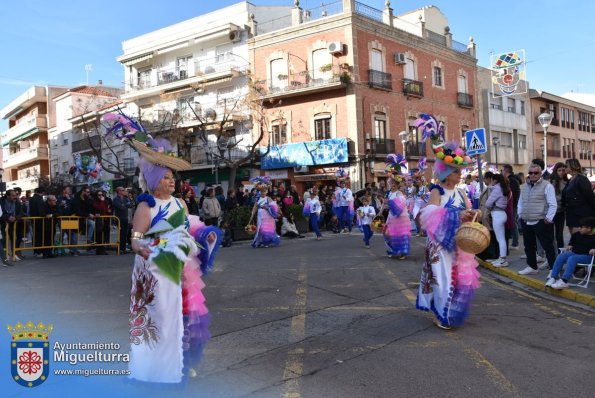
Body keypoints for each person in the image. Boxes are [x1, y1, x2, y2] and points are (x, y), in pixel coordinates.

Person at [99, 114, 222, 384]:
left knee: (185, 316)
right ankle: (153, 369)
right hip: (154, 268)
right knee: (159, 318)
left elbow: (192, 228)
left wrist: (207, 236)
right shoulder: (147, 206)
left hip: (180, 266)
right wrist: (145, 248)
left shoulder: (181, 204)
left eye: (172, 177)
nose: (171, 181)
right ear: (154, 179)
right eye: (166, 177)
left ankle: (180, 362)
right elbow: (135, 239)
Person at [415, 115, 481, 330]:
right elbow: (429, 213)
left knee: (458, 279)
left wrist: (472, 213)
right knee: (442, 279)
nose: (461, 174)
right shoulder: (438, 190)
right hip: (440, 244)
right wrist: (456, 216)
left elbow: (466, 210)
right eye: (457, 171)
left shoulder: (461, 192)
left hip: (459, 242)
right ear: (447, 173)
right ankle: (442, 314)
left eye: (461, 171)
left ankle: (450, 312)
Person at [517, 163, 558, 275]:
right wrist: (520, 215)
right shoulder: (524, 187)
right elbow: (520, 202)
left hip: (541, 221)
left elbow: (553, 204)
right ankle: (532, 266)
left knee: (548, 246)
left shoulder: (547, 186)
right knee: (529, 246)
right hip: (526, 220)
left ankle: (553, 270)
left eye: (536, 173)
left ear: (540, 174)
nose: (533, 175)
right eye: (531, 173)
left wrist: (548, 219)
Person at [546, 217, 595, 289]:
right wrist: (570, 245)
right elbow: (571, 243)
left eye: (582, 227)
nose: (579, 228)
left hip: (588, 257)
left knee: (572, 258)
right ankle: (553, 277)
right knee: (561, 256)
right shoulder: (576, 235)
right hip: (576, 253)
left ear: (589, 228)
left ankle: (564, 281)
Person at [383, 154, 411, 259]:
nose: (393, 184)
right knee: (387, 234)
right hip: (391, 216)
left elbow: (401, 204)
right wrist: (381, 211)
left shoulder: (400, 193)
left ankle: (402, 252)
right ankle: (394, 250)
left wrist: (389, 203)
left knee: (401, 235)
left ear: (397, 184)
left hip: (401, 217)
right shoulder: (389, 193)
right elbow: (385, 204)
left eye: (394, 183)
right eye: (391, 182)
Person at [562, 158, 595, 234]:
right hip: (571, 213)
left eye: (566, 166)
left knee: (580, 238)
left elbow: (590, 196)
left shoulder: (581, 179)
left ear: (572, 166)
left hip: (581, 214)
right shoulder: (570, 180)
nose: (564, 168)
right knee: (575, 238)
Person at [485, 173, 510, 267]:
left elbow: (488, 203)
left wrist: (491, 187)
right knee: (501, 238)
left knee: (500, 239)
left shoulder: (496, 189)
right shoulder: (503, 188)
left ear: (494, 180)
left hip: (497, 214)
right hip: (502, 214)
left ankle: (503, 260)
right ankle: (501, 258)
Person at [249, 176, 281, 248]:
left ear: (266, 192)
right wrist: (252, 215)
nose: (263, 193)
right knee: (260, 228)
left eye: (264, 191)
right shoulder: (258, 199)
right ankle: (260, 241)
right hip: (260, 215)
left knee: (266, 229)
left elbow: (274, 206)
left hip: (267, 216)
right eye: (262, 191)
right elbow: (255, 207)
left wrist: (267, 207)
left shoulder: (268, 198)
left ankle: (266, 241)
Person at [0, 189, 25, 261]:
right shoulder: (1, 202)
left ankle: (14, 254)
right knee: (4, 239)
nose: (15, 197)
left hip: (14, 223)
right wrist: (8, 217)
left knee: (14, 238)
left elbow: (21, 213)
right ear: (7, 196)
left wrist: (15, 218)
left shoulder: (17, 202)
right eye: (13, 196)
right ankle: (5, 255)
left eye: (16, 195)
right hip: (3, 223)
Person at [549, 162, 569, 249]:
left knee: (559, 234)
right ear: (555, 171)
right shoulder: (550, 182)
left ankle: (560, 252)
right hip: (550, 211)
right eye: (559, 170)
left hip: (561, 211)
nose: (561, 172)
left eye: (563, 170)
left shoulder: (567, 182)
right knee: (550, 235)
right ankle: (551, 254)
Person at [502, 164, 521, 249]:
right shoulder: (514, 179)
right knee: (513, 223)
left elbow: (509, 194)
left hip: (512, 205)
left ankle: (515, 243)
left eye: (503, 170)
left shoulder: (511, 181)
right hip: (513, 204)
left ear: (506, 171)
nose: (502, 172)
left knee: (513, 223)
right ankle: (515, 242)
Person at [113, 186, 134, 254]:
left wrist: (124, 205)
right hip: (119, 218)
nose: (125, 191)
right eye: (123, 190)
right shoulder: (116, 199)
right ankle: (120, 248)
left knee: (125, 234)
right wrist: (125, 205)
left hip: (125, 218)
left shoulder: (126, 198)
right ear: (119, 191)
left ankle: (123, 248)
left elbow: (131, 205)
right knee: (121, 233)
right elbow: (120, 207)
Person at [92, 190, 112, 255]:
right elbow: (99, 208)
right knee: (99, 235)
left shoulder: (105, 201)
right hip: (99, 220)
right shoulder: (95, 201)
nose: (101, 196)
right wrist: (102, 201)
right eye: (99, 195)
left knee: (104, 235)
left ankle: (102, 249)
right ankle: (99, 249)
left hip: (105, 219)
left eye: (102, 195)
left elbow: (106, 209)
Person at [29, 187, 46, 258]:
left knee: (35, 236)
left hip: (34, 219)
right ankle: (39, 251)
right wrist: (44, 215)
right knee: (39, 236)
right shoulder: (39, 199)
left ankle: (36, 251)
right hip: (39, 220)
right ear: (42, 192)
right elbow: (41, 210)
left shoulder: (32, 199)